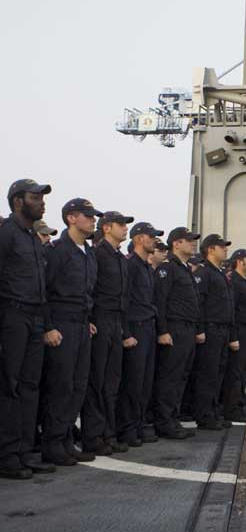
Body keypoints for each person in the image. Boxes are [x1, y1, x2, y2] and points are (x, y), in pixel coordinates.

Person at [0, 179, 54, 479]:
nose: (42, 202)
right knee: (10, 387)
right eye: (35, 197)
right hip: (12, 316)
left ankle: (23, 451)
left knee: (30, 387)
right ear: (18, 201)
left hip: (34, 319)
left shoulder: (33, 238)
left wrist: (45, 323)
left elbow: (42, 286)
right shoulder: (6, 234)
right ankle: (7, 456)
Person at [40, 198, 100, 466]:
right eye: (87, 215)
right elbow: (45, 292)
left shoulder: (88, 252)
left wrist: (87, 319)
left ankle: (66, 441)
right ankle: (52, 444)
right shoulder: (58, 251)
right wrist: (49, 326)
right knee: (61, 386)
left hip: (80, 324)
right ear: (71, 218)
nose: (93, 219)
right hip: (61, 324)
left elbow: (87, 293)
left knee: (78, 386)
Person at [85, 211, 135, 455]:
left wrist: (124, 329)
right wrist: (90, 319)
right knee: (98, 380)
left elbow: (124, 298)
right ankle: (93, 435)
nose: (125, 228)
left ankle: (108, 432)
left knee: (112, 381)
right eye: (121, 224)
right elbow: (90, 288)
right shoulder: (97, 255)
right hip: (101, 320)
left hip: (116, 322)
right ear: (106, 228)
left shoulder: (120, 258)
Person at [152, 227, 203, 439]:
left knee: (181, 376)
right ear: (176, 244)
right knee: (170, 377)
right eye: (188, 240)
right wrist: (163, 330)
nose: (193, 243)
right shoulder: (168, 268)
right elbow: (159, 302)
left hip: (188, 329)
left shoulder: (184, 269)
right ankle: (164, 422)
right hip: (175, 328)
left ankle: (173, 418)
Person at [116, 222, 163, 446]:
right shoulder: (131, 265)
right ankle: (127, 428)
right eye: (150, 236)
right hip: (135, 327)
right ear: (138, 239)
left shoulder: (146, 267)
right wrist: (126, 331)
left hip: (148, 326)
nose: (154, 240)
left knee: (145, 382)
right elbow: (124, 300)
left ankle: (139, 423)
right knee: (133, 383)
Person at [192, 234, 236, 430]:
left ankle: (214, 411)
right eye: (222, 246)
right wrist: (200, 329)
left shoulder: (218, 273)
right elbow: (198, 303)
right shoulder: (204, 272)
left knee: (218, 373)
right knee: (207, 374)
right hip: (210, 329)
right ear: (210, 249)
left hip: (222, 329)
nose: (225, 249)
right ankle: (205, 415)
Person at [222, 248, 246, 422]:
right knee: (236, 373)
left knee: (245, 371)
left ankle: (238, 405)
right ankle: (232, 409)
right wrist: (234, 336)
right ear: (239, 261)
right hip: (241, 330)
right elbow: (232, 310)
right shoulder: (234, 281)